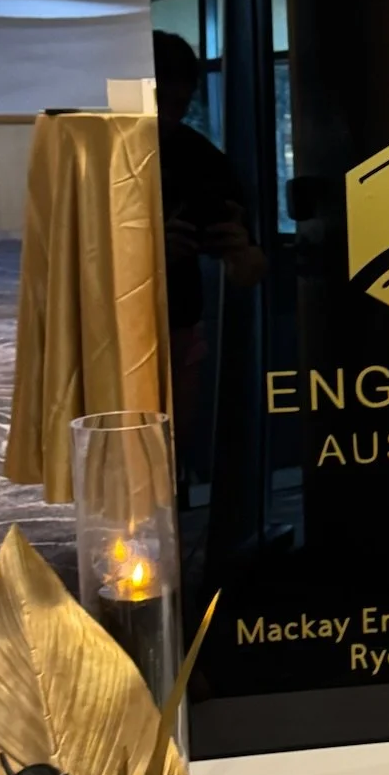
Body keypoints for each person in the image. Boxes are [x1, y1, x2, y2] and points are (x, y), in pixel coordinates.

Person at [152, 30, 266, 479]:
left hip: (180, 327)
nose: (168, 118)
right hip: (111, 332)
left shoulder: (200, 159)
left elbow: (252, 269)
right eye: (161, 102)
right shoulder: (99, 157)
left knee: (164, 462)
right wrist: (147, 253)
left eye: (179, 105)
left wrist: (239, 250)